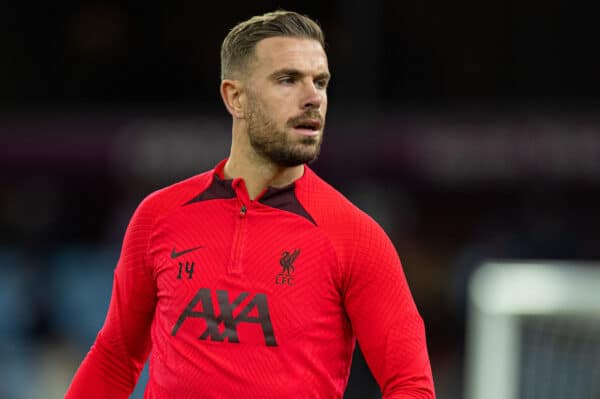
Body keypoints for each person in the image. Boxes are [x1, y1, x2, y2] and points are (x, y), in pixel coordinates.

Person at [65, 10, 435, 399]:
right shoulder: (158, 216)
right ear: (235, 97)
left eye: (321, 83)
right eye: (288, 80)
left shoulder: (356, 237)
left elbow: (410, 385)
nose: (313, 99)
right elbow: (115, 358)